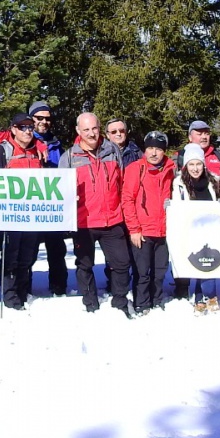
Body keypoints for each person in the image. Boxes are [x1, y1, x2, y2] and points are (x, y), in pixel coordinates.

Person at [59, 112, 130, 315]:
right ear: (78, 131)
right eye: (86, 129)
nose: (91, 133)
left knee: (121, 264)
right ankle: (91, 304)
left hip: (112, 219)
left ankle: (120, 303)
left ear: (99, 128)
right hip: (84, 222)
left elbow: (122, 181)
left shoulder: (112, 150)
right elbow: (61, 192)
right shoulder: (70, 157)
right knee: (84, 265)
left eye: (94, 128)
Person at [0, 112, 51, 309]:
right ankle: (10, 296)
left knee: (28, 256)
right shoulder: (3, 151)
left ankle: (23, 292)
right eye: (22, 127)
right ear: (14, 130)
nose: (27, 131)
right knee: (11, 257)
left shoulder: (37, 151)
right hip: (10, 216)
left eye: (30, 127)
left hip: (32, 216)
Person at [120, 131, 175, 314]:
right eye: (150, 148)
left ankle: (157, 301)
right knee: (142, 272)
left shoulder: (171, 169)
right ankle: (141, 304)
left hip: (164, 229)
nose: (153, 153)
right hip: (142, 230)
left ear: (164, 151)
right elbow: (127, 199)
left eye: (158, 149)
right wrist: (134, 229)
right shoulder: (135, 169)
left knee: (159, 272)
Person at [170, 120, 220, 300]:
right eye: (191, 164)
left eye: (198, 164)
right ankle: (183, 293)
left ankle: (206, 297)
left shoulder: (212, 181)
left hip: (209, 230)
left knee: (208, 265)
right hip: (188, 230)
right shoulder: (178, 182)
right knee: (188, 262)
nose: (195, 168)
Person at [29, 101, 69, 296]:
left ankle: (58, 287)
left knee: (56, 249)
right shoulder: (23, 139)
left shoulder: (56, 144)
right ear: (32, 119)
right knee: (28, 251)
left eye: (47, 118)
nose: (44, 122)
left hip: (51, 205)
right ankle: (21, 287)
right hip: (29, 205)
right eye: (39, 118)